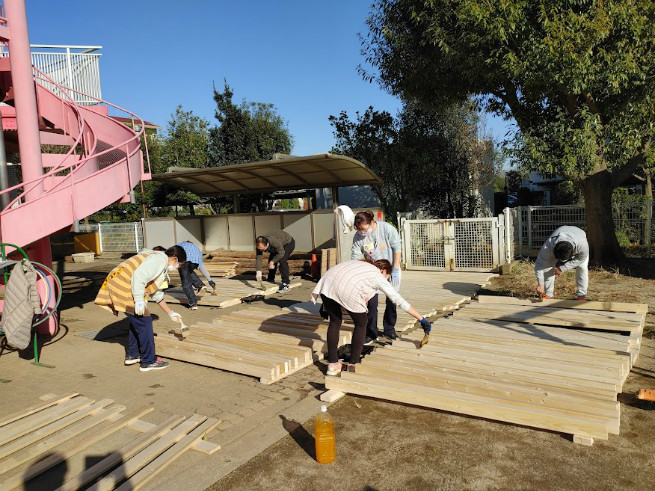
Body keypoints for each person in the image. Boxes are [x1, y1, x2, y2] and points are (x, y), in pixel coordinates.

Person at [312, 259, 432, 375]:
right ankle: (353, 364)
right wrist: (421, 319)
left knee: (335, 321)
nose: (386, 280)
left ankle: (332, 365)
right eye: (387, 277)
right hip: (345, 287)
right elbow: (397, 299)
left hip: (327, 282)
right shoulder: (377, 275)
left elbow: (339, 280)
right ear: (383, 271)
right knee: (361, 323)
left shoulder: (359, 265)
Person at [95, 245, 187, 371]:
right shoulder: (159, 260)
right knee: (145, 322)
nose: (176, 268)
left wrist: (170, 312)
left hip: (120, 286)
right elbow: (139, 276)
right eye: (179, 265)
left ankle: (133, 355)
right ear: (175, 259)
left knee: (137, 321)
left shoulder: (158, 261)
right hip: (124, 288)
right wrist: (138, 300)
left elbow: (156, 293)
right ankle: (149, 361)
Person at [351, 210, 403, 342]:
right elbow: (356, 257)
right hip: (371, 273)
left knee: (392, 300)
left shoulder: (386, 228)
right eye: (358, 230)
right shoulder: (358, 237)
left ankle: (389, 329)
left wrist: (396, 267)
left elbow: (397, 247)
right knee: (371, 303)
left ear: (370, 222)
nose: (361, 232)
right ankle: (371, 332)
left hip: (390, 269)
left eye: (363, 229)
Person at [535, 226, 589, 300]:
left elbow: (581, 259)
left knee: (582, 267)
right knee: (547, 267)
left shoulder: (582, 245)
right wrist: (541, 284)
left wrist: (562, 268)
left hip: (578, 236)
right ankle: (548, 294)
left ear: (573, 252)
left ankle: (582, 295)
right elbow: (540, 265)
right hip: (560, 236)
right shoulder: (548, 246)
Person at [176, 241, 216, 310]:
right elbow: (202, 268)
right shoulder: (196, 249)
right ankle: (200, 285)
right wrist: (209, 280)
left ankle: (193, 303)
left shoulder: (179, 245)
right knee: (189, 271)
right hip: (195, 262)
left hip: (184, 261)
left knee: (186, 283)